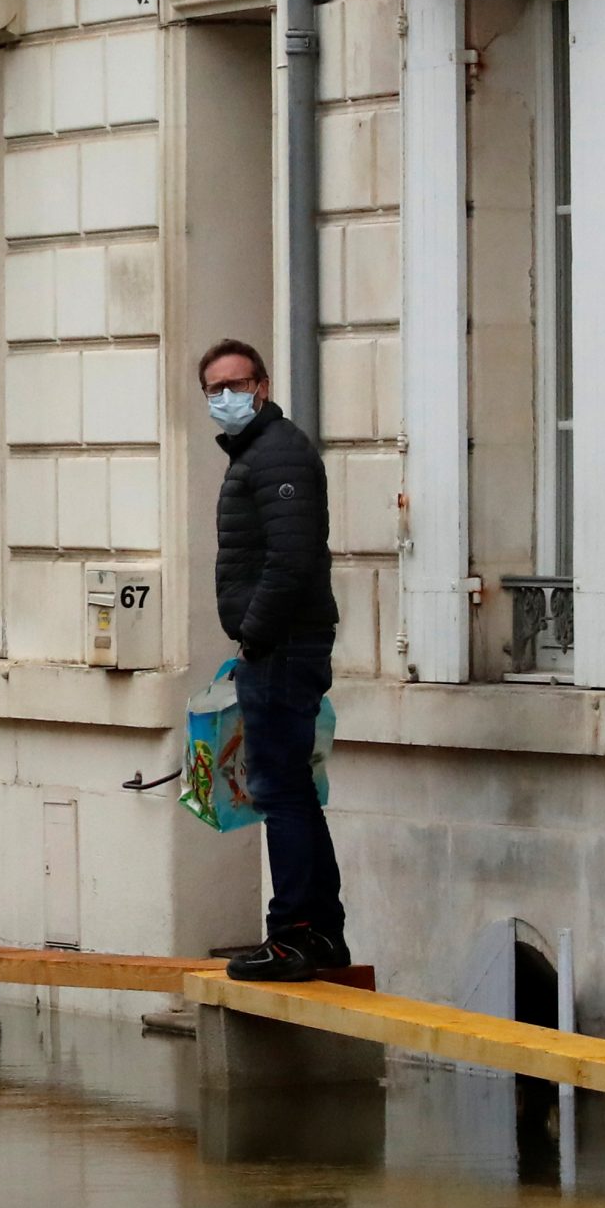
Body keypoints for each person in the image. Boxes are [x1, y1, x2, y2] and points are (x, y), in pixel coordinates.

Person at [202, 338, 350, 982]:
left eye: (237, 385)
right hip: (278, 646)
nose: (227, 397)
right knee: (290, 791)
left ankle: (293, 934)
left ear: (261, 386)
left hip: (284, 647)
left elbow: (291, 562)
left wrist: (255, 637)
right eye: (214, 390)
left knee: (280, 791)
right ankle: (318, 934)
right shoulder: (258, 455)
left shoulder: (278, 451)